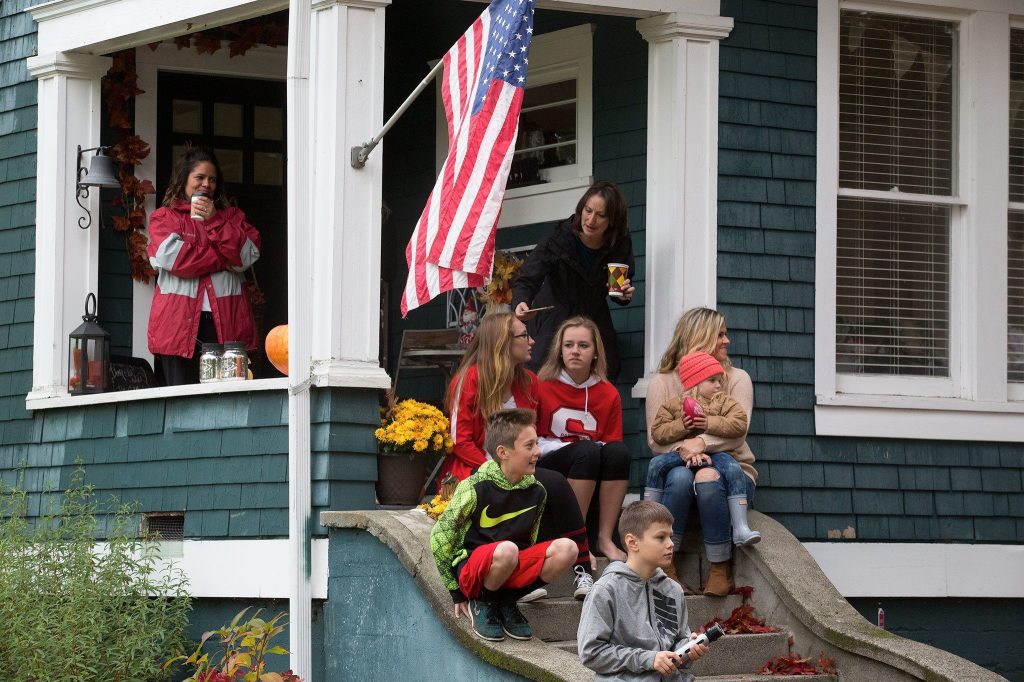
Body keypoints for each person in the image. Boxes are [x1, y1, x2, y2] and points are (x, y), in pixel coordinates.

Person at [439, 313, 598, 600]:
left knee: (557, 482)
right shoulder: (470, 379)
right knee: (545, 484)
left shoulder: (529, 382)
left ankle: (582, 568)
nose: (531, 340)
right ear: (502, 342)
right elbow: (459, 441)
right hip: (477, 470)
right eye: (523, 335)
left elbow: (530, 438)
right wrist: (494, 470)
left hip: (518, 466)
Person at [430, 408, 578, 642]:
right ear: (503, 452)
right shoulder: (473, 486)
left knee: (568, 549)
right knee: (507, 550)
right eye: (529, 446)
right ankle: (484, 602)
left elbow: (529, 541)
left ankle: (507, 602)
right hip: (472, 571)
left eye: (536, 444)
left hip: (509, 565)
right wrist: (455, 593)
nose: (538, 452)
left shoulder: (537, 490)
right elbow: (439, 537)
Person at [645, 307, 757, 596]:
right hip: (677, 474)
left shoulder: (736, 378)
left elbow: (738, 433)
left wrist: (703, 444)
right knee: (683, 477)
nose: (727, 341)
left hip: (731, 473)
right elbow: (656, 442)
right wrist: (689, 450)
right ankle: (664, 566)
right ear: (700, 338)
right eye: (719, 334)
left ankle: (720, 569)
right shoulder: (663, 382)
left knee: (706, 474)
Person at [147, 147, 261, 386]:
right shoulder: (164, 218)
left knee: (226, 399)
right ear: (184, 180)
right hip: (177, 325)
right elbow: (177, 260)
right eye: (199, 177)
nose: (206, 184)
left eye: (212, 179)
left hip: (226, 323)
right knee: (179, 400)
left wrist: (214, 220)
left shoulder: (233, 218)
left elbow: (246, 256)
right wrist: (222, 259)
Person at [512, 180, 635, 382]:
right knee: (540, 369)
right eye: (588, 210)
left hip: (593, 312)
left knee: (609, 366)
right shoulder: (559, 237)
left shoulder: (619, 242)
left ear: (612, 221)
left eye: (600, 215)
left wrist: (623, 294)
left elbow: (619, 288)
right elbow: (527, 277)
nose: (591, 219)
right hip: (554, 311)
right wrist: (520, 302)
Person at [577, 501, 709, 681]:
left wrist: (688, 648)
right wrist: (648, 659)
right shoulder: (606, 590)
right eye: (661, 537)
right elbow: (591, 653)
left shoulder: (673, 590)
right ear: (632, 542)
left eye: (670, 536)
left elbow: (676, 650)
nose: (670, 544)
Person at [536, 316, 630, 566]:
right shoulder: (541, 386)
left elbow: (611, 444)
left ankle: (604, 538)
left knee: (619, 452)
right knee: (586, 450)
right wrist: (569, 447)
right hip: (549, 460)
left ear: (595, 352)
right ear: (559, 350)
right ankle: (576, 541)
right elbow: (530, 439)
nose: (575, 351)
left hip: (589, 459)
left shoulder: (607, 392)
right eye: (568, 345)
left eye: (583, 346)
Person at [648, 352, 759, 546]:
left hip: (717, 455)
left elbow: (739, 423)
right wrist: (682, 426)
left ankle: (741, 527)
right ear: (694, 383)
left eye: (720, 380)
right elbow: (658, 432)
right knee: (656, 464)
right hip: (684, 456)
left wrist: (709, 423)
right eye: (712, 380)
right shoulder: (675, 406)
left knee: (733, 469)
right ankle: (649, 522)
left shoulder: (725, 402)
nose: (718, 385)